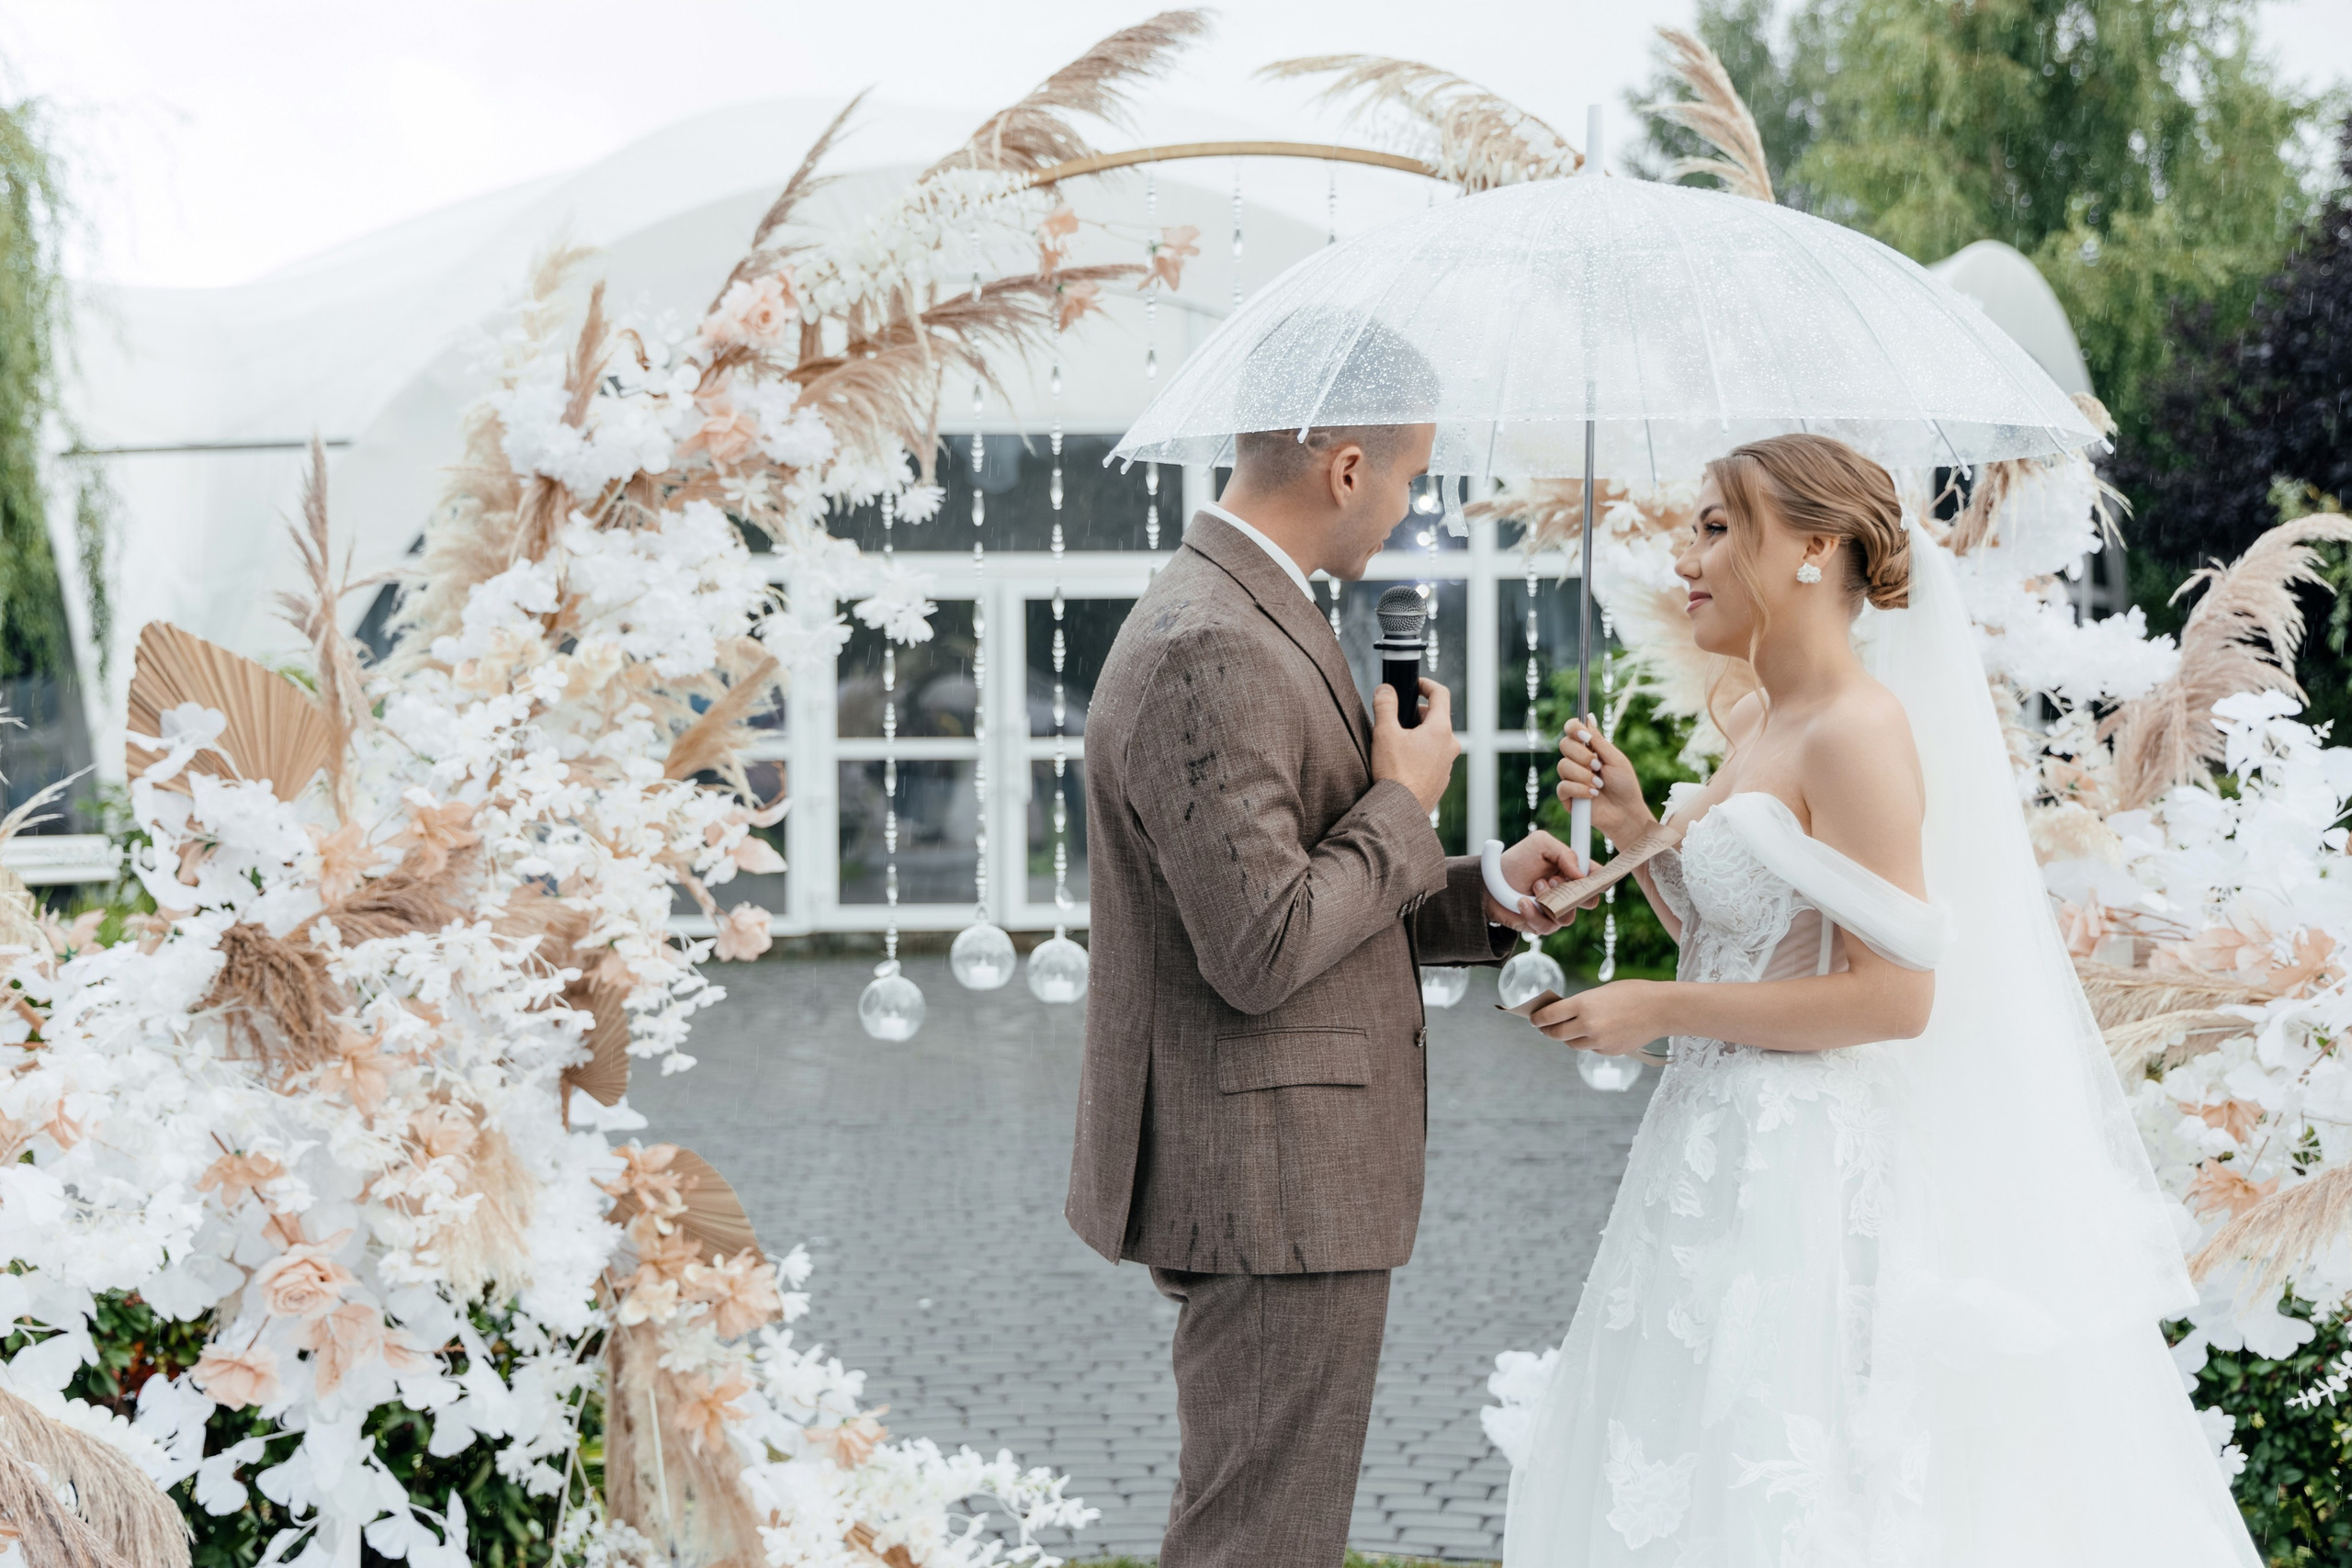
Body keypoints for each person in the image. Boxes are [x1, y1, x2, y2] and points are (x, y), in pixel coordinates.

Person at [1496, 433, 2259, 1564]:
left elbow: (1893, 998)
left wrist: (1660, 1008)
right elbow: (1738, 935)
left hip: (1803, 1165)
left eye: (1714, 527)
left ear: (1811, 548)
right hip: (1708, 1149)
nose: (1686, 560)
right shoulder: (1758, 723)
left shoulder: (1857, 731)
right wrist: (1633, 832)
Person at [1068, 317, 1589, 1568]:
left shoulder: (1254, 612)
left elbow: (1298, 880)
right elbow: (1262, 943)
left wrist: (1485, 890)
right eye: (1408, 477)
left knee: (1267, 1530)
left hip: (1286, 1175)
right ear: (1347, 466)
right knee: (1259, 1540)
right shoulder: (1213, 642)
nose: (1406, 508)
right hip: (1272, 1183)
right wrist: (1406, 796)